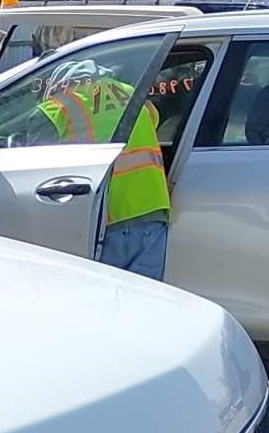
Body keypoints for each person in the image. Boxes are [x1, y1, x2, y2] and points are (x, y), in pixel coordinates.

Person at [37, 57, 170, 279]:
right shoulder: (132, 93)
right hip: (153, 212)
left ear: (63, 85)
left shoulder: (62, 105)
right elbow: (154, 120)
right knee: (144, 302)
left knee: (104, 301)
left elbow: (34, 149)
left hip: (107, 218)